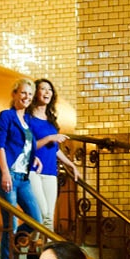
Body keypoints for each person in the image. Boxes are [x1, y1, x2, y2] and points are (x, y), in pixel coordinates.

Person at [0, 78, 42, 259]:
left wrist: (34, 158)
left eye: (30, 94)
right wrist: (5, 172)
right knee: (10, 224)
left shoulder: (28, 120)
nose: (26, 97)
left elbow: (26, 145)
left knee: (36, 219)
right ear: (14, 94)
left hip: (24, 178)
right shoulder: (6, 116)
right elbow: (0, 146)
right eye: (23, 93)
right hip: (10, 175)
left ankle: (5, 245)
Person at [27, 77, 82, 231]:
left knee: (49, 216)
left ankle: (44, 244)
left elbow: (55, 149)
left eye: (50, 89)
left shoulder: (51, 120)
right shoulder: (28, 118)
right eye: (43, 89)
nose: (47, 92)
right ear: (35, 92)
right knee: (42, 213)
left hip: (51, 171)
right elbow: (27, 146)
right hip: (33, 170)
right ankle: (27, 237)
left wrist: (71, 164)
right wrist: (50, 138)